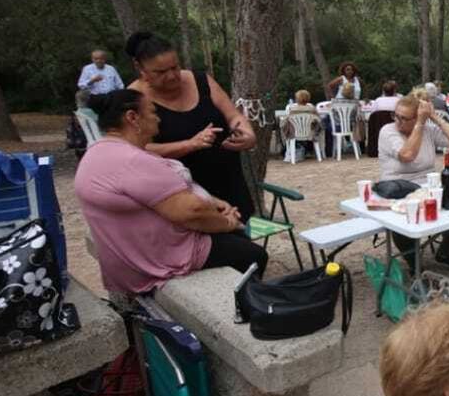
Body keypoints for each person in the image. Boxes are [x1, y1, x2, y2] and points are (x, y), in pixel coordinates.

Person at [74, 89, 267, 296]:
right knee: (254, 254)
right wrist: (226, 223)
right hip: (158, 260)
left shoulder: (97, 152)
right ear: (132, 118)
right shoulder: (132, 160)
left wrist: (214, 203)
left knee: (237, 237)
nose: (158, 118)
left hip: (132, 255)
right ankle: (241, 308)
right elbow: (192, 213)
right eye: (152, 112)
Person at [126, 31, 258, 221]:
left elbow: (233, 115)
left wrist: (247, 133)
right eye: (160, 72)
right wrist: (190, 144)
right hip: (184, 201)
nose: (171, 76)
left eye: (175, 67)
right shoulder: (133, 100)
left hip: (230, 185)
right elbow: (136, 151)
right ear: (140, 68)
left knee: (244, 244)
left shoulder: (201, 80)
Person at [378, 94, 449, 272]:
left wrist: (433, 117)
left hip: (427, 187)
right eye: (395, 115)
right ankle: (415, 265)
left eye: (404, 118)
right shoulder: (388, 131)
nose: (398, 121)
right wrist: (419, 124)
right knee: (402, 223)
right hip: (397, 189)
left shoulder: (427, 128)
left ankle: (444, 253)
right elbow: (407, 155)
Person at [281, 89, 323, 156]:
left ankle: (288, 151)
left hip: (295, 133)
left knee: (286, 126)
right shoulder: (312, 108)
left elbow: (286, 121)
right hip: (310, 133)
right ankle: (310, 150)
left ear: (297, 99)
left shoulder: (292, 109)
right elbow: (318, 120)